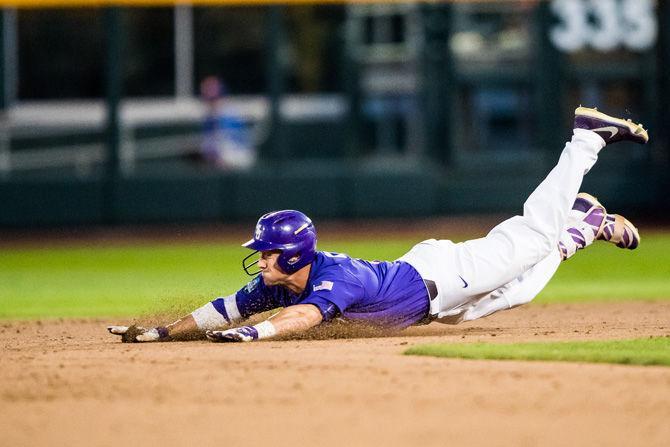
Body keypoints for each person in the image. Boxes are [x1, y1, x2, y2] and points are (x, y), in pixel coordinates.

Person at [109, 106, 648, 343]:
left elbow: (301, 318)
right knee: (520, 290)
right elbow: (224, 309)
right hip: (431, 293)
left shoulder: (331, 280)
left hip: (447, 274)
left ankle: (587, 138)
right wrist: (162, 332)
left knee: (530, 238)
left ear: (294, 256)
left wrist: (255, 333)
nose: (262, 259)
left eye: (269, 252)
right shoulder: (281, 281)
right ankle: (579, 225)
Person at [197, 76, 256, 170]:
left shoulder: (229, 113)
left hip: (238, 158)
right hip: (220, 161)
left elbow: (233, 145)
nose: (209, 101)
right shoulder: (209, 116)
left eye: (213, 98)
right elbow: (208, 146)